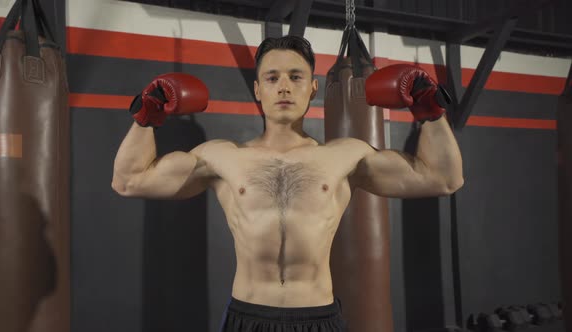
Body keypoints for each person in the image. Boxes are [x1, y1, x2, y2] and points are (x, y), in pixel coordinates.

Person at [111, 35, 463, 331]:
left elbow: (443, 178)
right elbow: (129, 181)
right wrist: (148, 115)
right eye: (272, 77)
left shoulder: (345, 157)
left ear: (312, 89)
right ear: (257, 89)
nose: (283, 87)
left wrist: (428, 110)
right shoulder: (220, 157)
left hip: (318, 317)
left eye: (296, 77)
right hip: (247, 316)